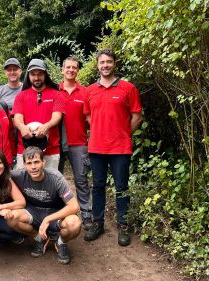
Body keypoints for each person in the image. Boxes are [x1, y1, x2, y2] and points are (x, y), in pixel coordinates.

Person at [83, 48, 143, 246]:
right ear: (97, 65)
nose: (105, 65)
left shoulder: (128, 88)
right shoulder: (90, 90)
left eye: (109, 62)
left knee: (121, 187)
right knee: (98, 186)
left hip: (120, 148)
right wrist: (101, 130)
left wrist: (124, 133)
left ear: (114, 64)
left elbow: (137, 116)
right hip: (97, 148)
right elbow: (88, 116)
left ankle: (123, 226)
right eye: (102, 62)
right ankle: (97, 223)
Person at [6, 146, 81, 264]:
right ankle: (39, 238)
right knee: (11, 217)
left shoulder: (56, 178)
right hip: (32, 212)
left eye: (36, 162)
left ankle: (61, 242)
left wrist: (48, 219)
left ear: (43, 162)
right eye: (29, 163)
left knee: (75, 224)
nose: (33, 167)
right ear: (24, 165)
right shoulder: (18, 175)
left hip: (55, 214)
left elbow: (74, 206)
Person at [57, 57, 93, 231]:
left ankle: (86, 214)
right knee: (54, 179)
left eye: (74, 67)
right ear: (62, 70)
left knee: (81, 180)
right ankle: (56, 213)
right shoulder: (54, 91)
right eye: (68, 67)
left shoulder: (85, 92)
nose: (71, 70)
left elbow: (90, 120)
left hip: (78, 143)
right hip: (56, 144)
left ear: (78, 70)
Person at [12, 59, 64, 170]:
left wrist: (47, 126)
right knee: (23, 185)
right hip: (25, 150)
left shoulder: (56, 95)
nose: (36, 78)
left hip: (50, 150)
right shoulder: (21, 96)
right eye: (33, 74)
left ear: (45, 74)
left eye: (39, 74)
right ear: (28, 75)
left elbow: (57, 116)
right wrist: (22, 127)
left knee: (50, 185)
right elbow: (17, 118)